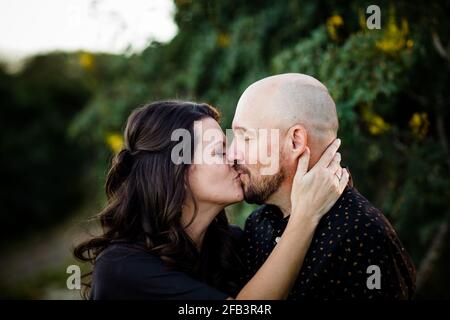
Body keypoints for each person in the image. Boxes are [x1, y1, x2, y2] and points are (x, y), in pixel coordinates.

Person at [74, 100, 348, 299]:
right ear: (176, 171)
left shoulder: (234, 247)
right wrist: (306, 215)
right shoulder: (123, 270)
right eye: (219, 151)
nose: (235, 157)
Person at [229, 73, 416, 300]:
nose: (232, 154)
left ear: (295, 141)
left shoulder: (362, 235)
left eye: (246, 138)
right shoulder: (259, 224)